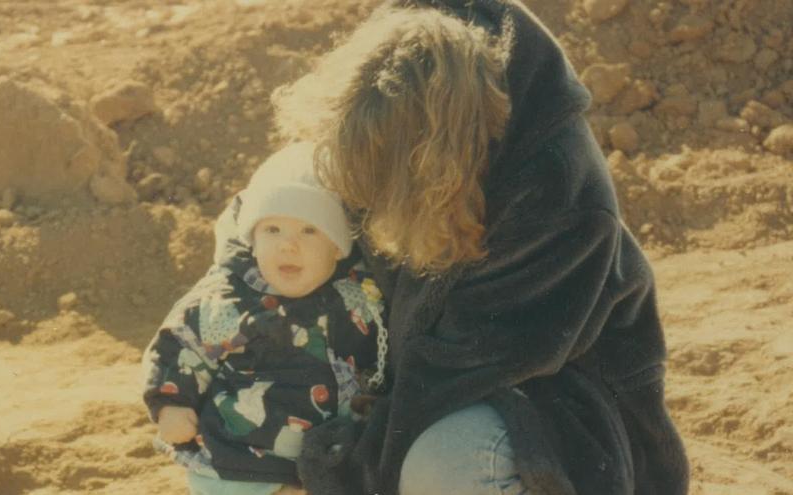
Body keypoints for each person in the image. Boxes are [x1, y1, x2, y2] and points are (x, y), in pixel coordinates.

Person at [273, 1, 689, 494]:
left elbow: (447, 377)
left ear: (432, 161)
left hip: (561, 417)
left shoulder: (555, 194)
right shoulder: (390, 94)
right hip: (436, 383)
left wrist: (342, 467)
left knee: (449, 463)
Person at [141, 142, 388, 495]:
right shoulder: (227, 297)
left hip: (331, 457)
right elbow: (180, 345)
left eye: (309, 230)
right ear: (252, 239)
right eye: (272, 230)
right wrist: (170, 405)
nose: (288, 245)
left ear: (338, 245)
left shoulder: (360, 293)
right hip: (240, 459)